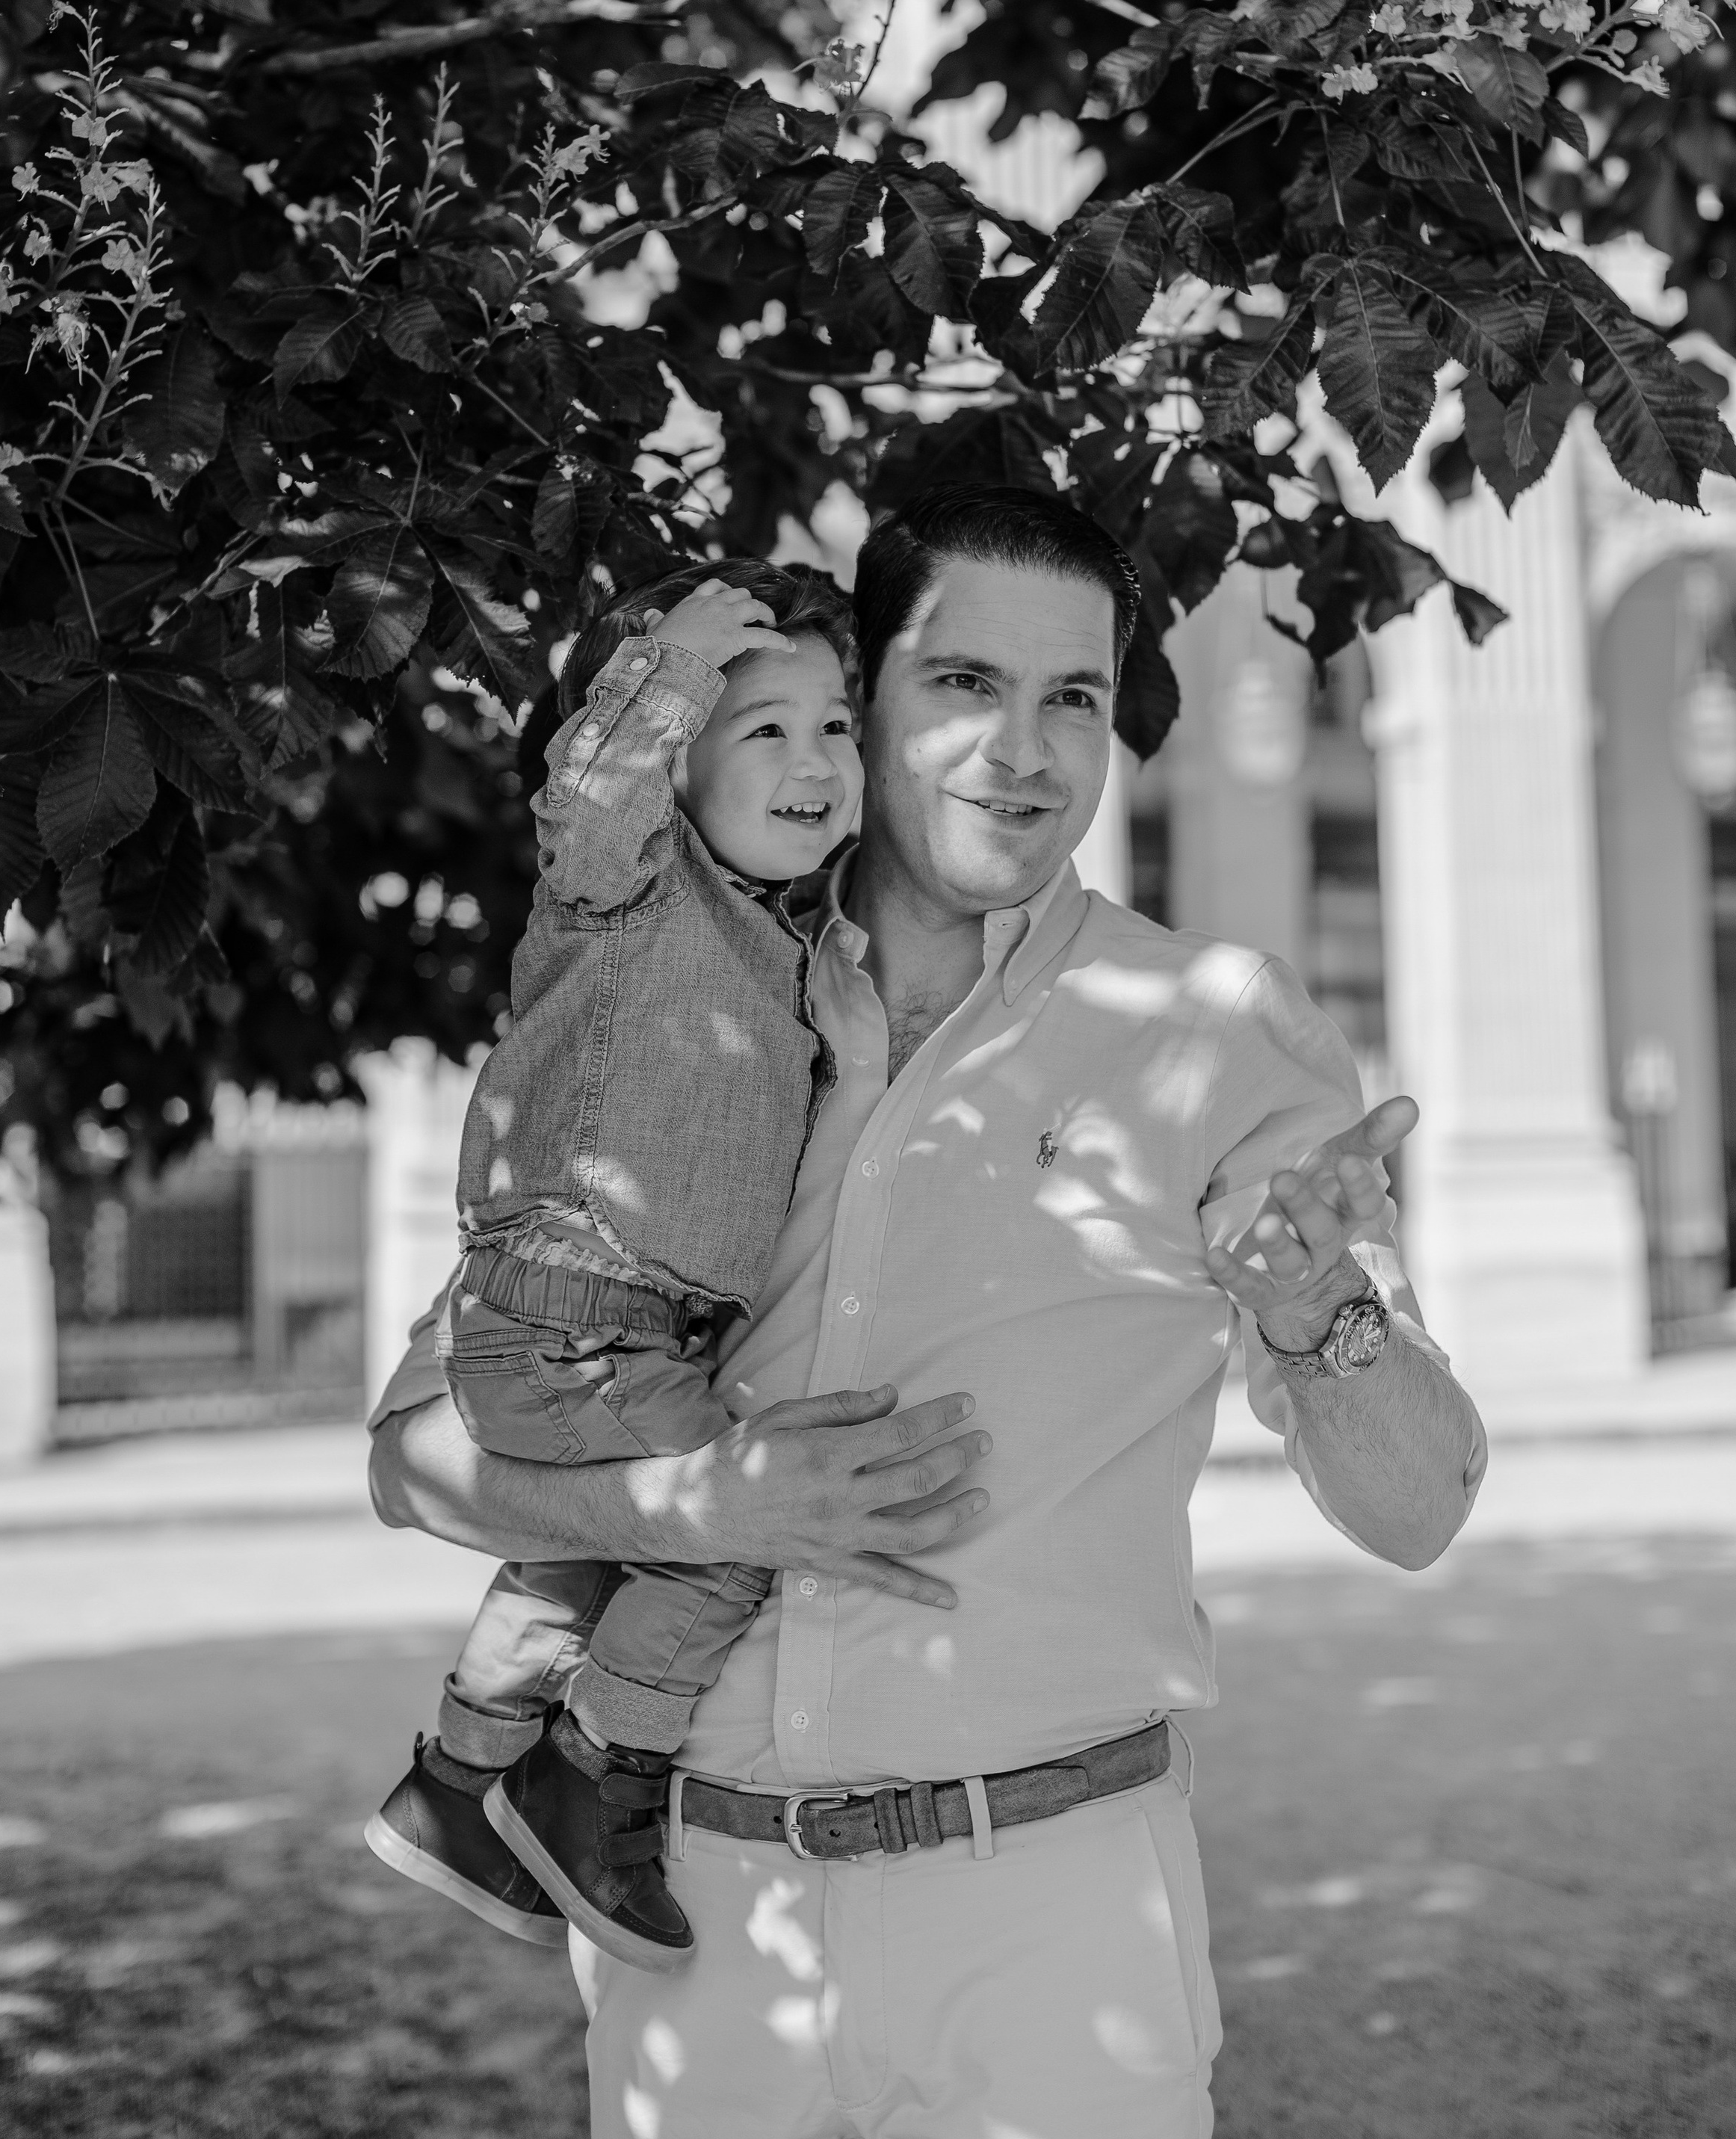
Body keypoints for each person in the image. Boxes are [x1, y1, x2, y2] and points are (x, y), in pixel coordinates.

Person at [369, 484, 1487, 2139]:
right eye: (963, 684)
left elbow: (1419, 1507)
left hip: (1052, 1916)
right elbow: (411, 1460)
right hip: (697, 1919)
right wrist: (694, 1504)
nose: (1021, 753)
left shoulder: (1205, 1023)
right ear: (855, 695)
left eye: (1074, 698)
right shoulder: (662, 991)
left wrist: (1324, 1313)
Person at [366, 558, 864, 1972]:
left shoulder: (789, 940)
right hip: (571, 1321)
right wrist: (667, 662)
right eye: (764, 726)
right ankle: (591, 1777)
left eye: (838, 727)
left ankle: (454, 1789)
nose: (817, 760)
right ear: (680, 757)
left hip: (627, 1336)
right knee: (734, 1533)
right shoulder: (625, 885)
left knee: (578, 1564)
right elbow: (591, 792)